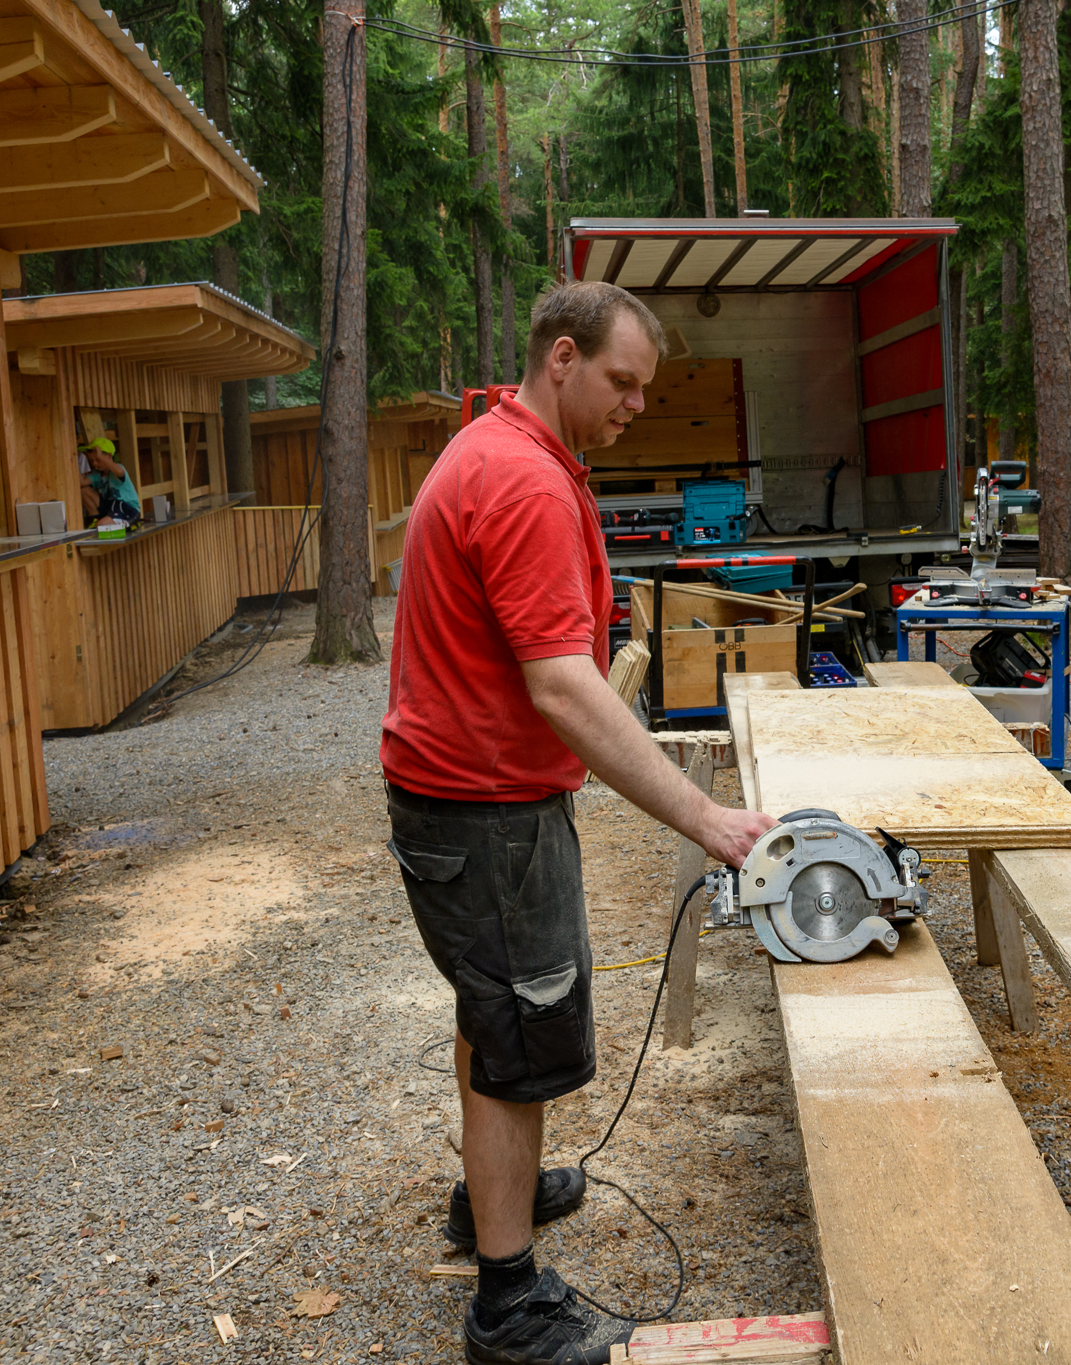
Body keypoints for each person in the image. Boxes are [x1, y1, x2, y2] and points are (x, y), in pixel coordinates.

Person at [381, 281, 776, 1365]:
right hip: (486, 813)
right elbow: (561, 685)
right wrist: (706, 817)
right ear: (562, 357)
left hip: (465, 799)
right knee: (523, 1030)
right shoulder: (521, 481)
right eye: (622, 381)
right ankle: (507, 1305)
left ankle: (487, 1197)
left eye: (644, 388)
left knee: (495, 1007)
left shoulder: (503, 451)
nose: (637, 404)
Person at [78, 437, 141, 528]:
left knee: (102, 525)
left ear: (109, 456)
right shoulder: (97, 474)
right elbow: (82, 482)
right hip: (110, 507)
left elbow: (119, 472)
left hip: (126, 507)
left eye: (98, 460)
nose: (95, 463)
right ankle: (96, 518)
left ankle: (132, 522)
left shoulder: (118, 468)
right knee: (84, 490)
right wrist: (74, 461)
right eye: (92, 460)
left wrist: (102, 457)